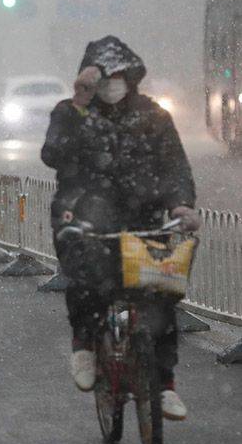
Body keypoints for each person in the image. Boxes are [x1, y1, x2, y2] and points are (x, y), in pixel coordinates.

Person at [41, 36, 200, 420]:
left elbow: (175, 165)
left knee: (158, 299)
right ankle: (84, 344)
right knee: (88, 284)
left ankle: (163, 385)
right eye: (104, 78)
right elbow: (53, 154)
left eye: (119, 77)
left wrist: (180, 204)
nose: (112, 85)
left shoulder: (152, 116)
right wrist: (79, 103)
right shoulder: (72, 112)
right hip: (84, 217)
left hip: (143, 219)